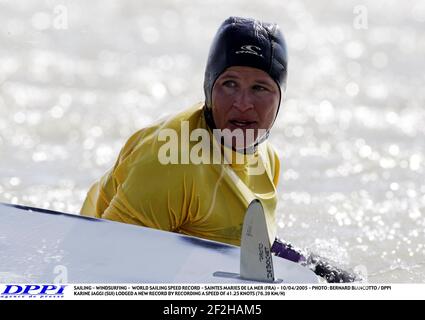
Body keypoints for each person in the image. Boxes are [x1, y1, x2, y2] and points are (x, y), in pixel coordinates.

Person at [81, 16, 357, 283]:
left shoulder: (267, 158)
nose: (243, 103)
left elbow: (240, 237)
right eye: (229, 84)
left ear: (280, 97)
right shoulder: (172, 160)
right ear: (208, 88)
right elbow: (106, 261)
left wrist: (315, 269)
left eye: (260, 88)